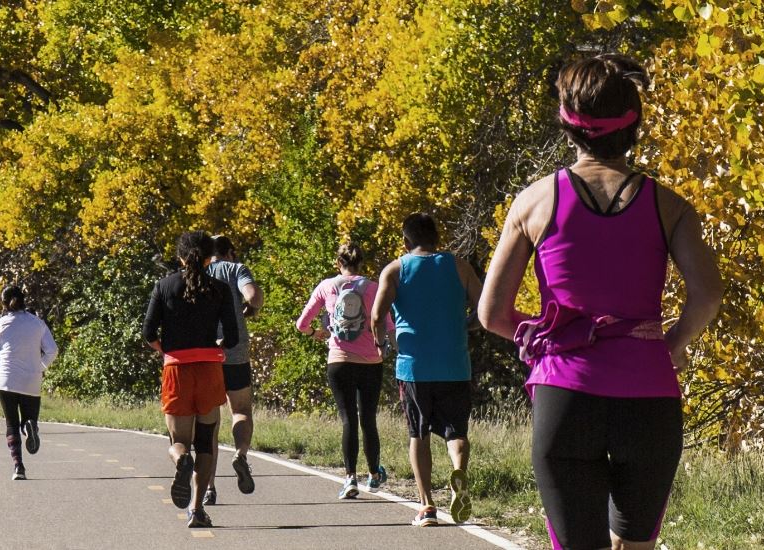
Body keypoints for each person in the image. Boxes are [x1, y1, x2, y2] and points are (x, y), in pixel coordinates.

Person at [479, 54, 722, 550]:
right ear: (634, 127)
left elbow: (492, 315)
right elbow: (708, 294)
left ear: (568, 127)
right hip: (649, 397)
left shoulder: (534, 202)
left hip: (566, 397)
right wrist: (673, 342)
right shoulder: (670, 206)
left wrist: (555, 335)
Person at [371, 212, 485, 526]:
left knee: (417, 433)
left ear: (406, 241)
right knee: (456, 432)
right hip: (455, 364)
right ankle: (458, 471)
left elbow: (377, 315)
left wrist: (382, 345)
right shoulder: (459, 266)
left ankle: (427, 506)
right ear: (437, 238)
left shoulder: (395, 269)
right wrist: (468, 325)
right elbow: (485, 305)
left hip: (413, 367)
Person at [141, 231, 239, 528]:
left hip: (177, 371)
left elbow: (148, 333)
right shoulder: (220, 288)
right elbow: (232, 337)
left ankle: (182, 459)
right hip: (209, 371)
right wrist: (213, 351)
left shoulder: (164, 286)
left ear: (181, 256)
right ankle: (197, 510)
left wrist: (166, 351)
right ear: (210, 257)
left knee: (178, 441)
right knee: (206, 443)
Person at [296, 242, 394, 500]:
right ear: (361, 263)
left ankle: (350, 477)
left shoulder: (326, 287)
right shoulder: (373, 287)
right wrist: (386, 346)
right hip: (371, 361)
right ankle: (374, 475)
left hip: (338, 361)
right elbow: (388, 324)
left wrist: (315, 333)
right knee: (368, 419)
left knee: (348, 419)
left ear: (338, 263)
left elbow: (301, 324)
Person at [203, 234, 263, 505]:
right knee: (240, 411)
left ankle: (208, 487)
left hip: (205, 353)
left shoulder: (197, 272)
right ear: (230, 251)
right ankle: (240, 454)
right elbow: (254, 295)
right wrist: (249, 309)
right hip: (235, 352)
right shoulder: (236, 269)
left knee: (209, 421)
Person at [0, 285, 58, 481]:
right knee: (28, 418)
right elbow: (52, 350)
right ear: (24, 300)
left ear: (3, 304)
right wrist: (40, 366)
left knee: (11, 423)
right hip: (32, 379)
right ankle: (29, 427)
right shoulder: (37, 323)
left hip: (6, 379)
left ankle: (18, 467)